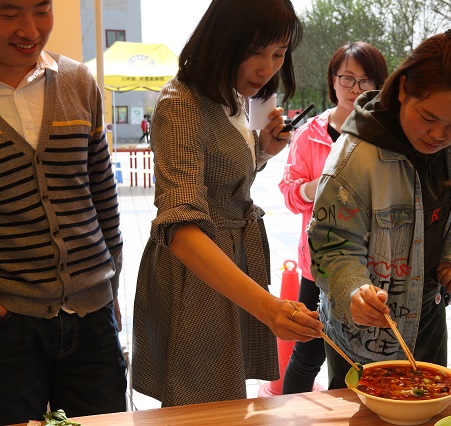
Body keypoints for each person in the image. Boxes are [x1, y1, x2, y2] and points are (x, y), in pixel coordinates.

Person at [131, 0, 323, 407]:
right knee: (204, 404)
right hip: (198, 273)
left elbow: (215, 174)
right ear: (221, 39)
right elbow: (181, 230)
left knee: (228, 400)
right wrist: (270, 308)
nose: (267, 67)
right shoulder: (181, 103)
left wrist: (261, 152)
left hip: (229, 264)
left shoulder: (229, 97)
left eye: (278, 53)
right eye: (255, 51)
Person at [307, 28, 451, 389]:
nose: (439, 135)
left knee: (429, 405)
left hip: (428, 309)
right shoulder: (354, 159)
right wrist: (353, 291)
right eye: (428, 117)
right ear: (405, 88)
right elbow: (331, 245)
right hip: (366, 331)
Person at [0, 0, 127, 423]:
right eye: (8, 13)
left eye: (42, 10)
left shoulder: (78, 81)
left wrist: (113, 285)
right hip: (11, 320)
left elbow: (102, 194)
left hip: (92, 312)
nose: (30, 29)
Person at [278, 42, 388, 394]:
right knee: (308, 353)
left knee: (367, 358)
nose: (355, 89)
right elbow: (289, 192)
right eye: (347, 78)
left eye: (366, 81)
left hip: (374, 263)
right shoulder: (309, 134)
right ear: (333, 80)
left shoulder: (384, 135)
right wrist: (315, 189)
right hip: (318, 264)